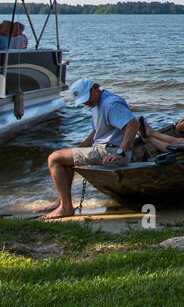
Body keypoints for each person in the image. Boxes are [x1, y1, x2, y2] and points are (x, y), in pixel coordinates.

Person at [42, 78, 140, 219]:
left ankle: (65, 208)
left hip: (111, 151)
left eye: (87, 98)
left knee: (54, 158)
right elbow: (96, 132)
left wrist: (120, 152)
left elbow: (132, 125)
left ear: (96, 88)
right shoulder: (98, 104)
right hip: (103, 148)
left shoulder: (111, 104)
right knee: (65, 157)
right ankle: (62, 202)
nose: (87, 103)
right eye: (84, 101)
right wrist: (79, 148)